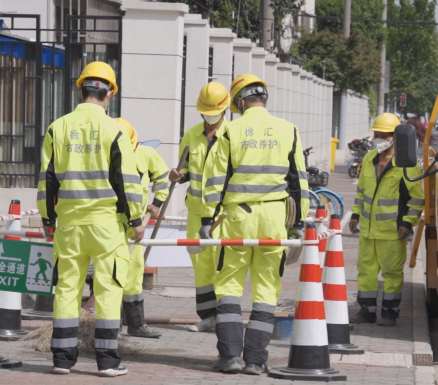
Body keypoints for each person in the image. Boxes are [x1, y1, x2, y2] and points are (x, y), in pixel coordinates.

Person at [37, 61, 145, 377]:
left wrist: (47, 219)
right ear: (109, 92)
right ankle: (108, 362)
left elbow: (47, 179)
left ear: (81, 88)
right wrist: (136, 219)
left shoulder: (57, 127)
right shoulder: (116, 130)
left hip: (69, 225)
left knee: (67, 288)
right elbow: (127, 180)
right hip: (106, 225)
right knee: (109, 289)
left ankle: (62, 359)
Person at [201, 73, 309, 375]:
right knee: (266, 289)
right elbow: (299, 180)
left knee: (228, 287)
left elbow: (214, 182)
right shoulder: (289, 130)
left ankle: (230, 357)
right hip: (275, 219)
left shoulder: (230, 130)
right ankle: (255, 360)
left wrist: (207, 220)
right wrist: (298, 222)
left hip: (236, 220)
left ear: (239, 101)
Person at [349, 113, 425, 326]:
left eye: (383, 134)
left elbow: (417, 197)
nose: (378, 137)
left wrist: (408, 222)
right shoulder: (368, 158)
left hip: (392, 231)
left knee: (391, 273)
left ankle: (390, 313)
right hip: (368, 231)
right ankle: (367, 311)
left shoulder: (406, 163)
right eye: (376, 133)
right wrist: (355, 214)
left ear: (396, 136)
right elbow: (362, 191)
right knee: (366, 271)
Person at [168, 82, 230, 332]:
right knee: (201, 267)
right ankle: (208, 317)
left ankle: (226, 318)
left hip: (223, 213)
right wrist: (177, 175)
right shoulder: (192, 135)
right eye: (206, 112)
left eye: (214, 113)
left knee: (223, 265)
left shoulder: (232, 136)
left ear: (224, 110)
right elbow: (188, 171)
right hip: (195, 212)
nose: (210, 117)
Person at [116, 118, 169, 338]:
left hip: (135, 225)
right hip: (111, 224)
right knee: (110, 274)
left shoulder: (146, 154)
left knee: (134, 273)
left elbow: (162, 177)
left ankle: (136, 324)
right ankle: (111, 325)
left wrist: (156, 204)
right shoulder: (108, 153)